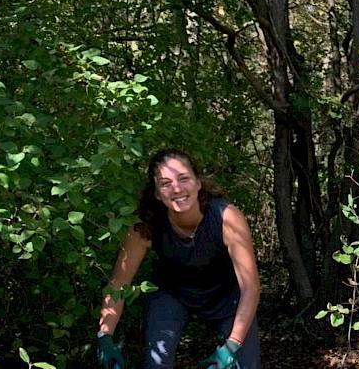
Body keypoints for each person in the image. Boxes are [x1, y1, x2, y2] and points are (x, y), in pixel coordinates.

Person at [96, 149, 261, 369]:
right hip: (173, 293)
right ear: (156, 193)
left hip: (225, 297)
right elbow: (118, 284)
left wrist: (232, 346)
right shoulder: (146, 225)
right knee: (157, 363)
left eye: (184, 178)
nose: (176, 188)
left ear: (198, 182)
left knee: (246, 365)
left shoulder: (226, 218)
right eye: (165, 183)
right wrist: (104, 337)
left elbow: (250, 287)